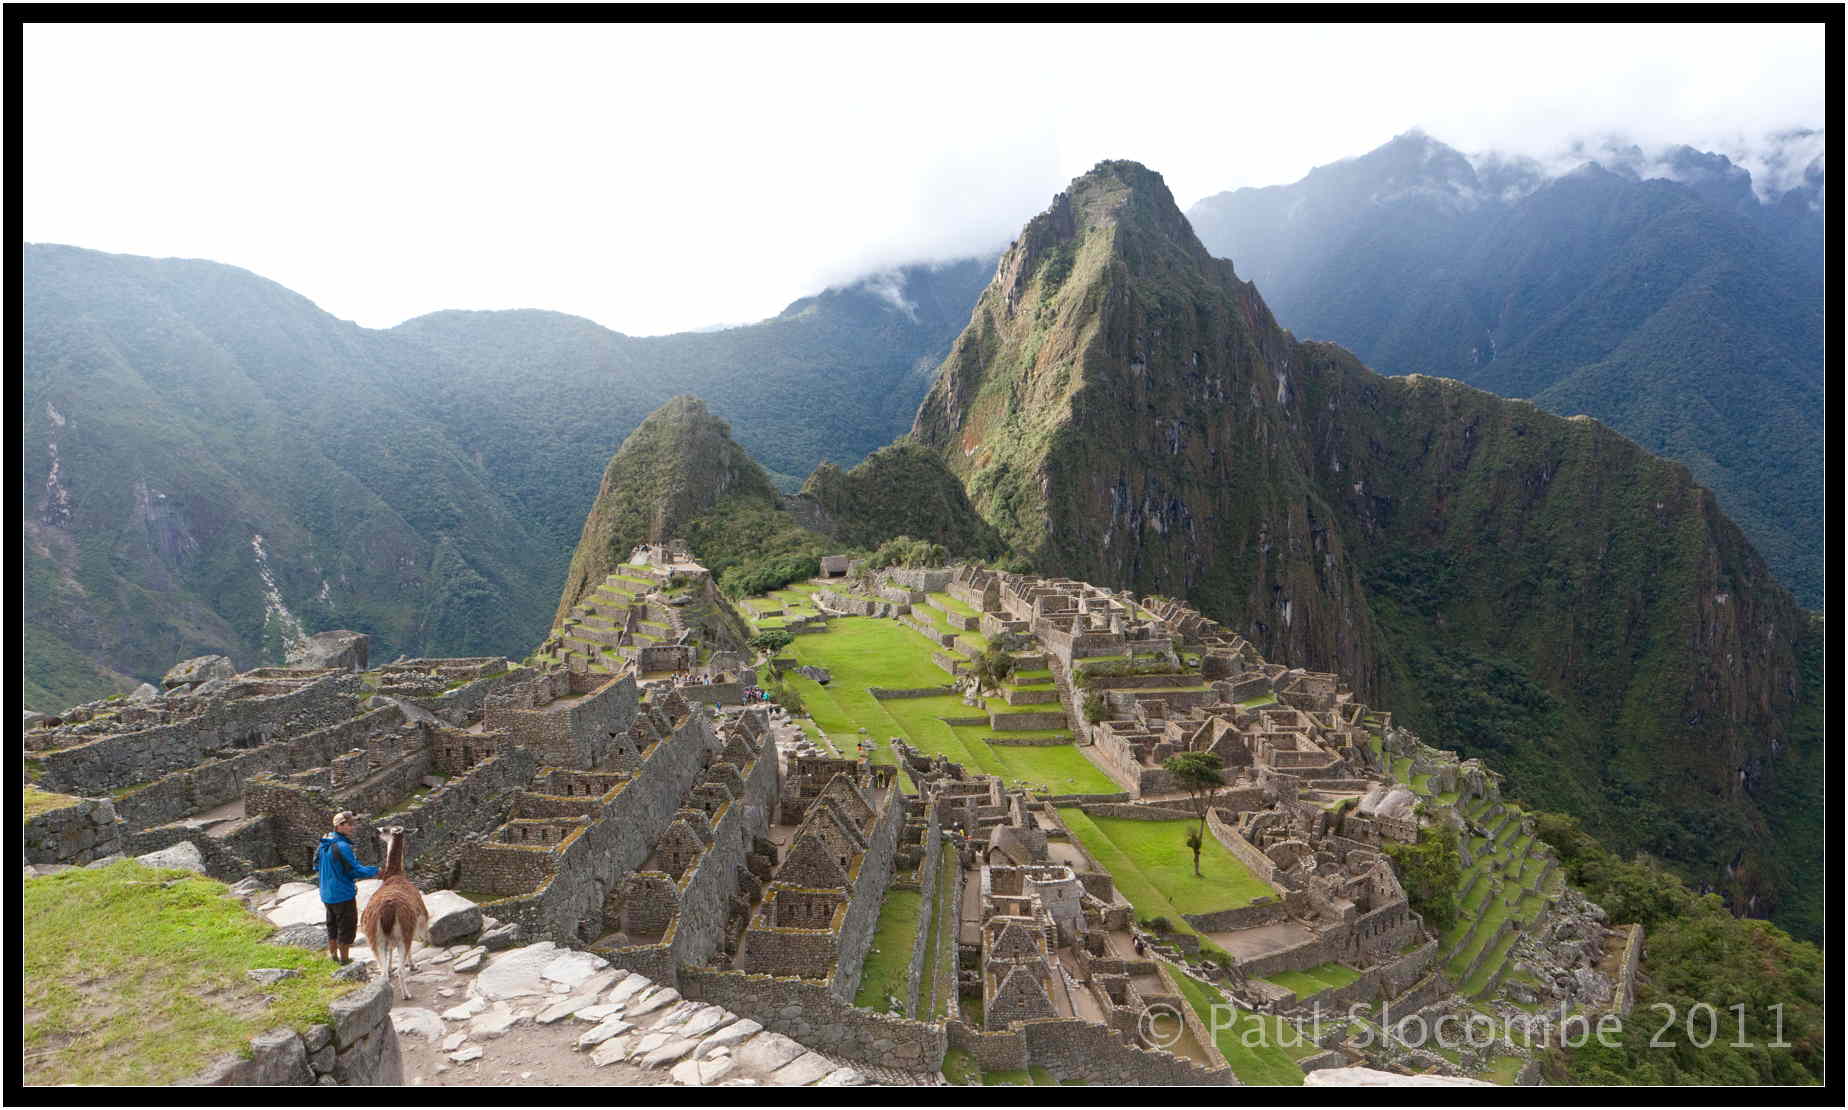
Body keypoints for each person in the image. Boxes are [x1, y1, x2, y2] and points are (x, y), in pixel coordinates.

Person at [317, 811, 379, 964]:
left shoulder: (325, 841)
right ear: (340, 826)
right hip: (342, 894)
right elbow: (354, 871)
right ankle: (345, 961)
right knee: (347, 927)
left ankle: (333, 956)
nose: (353, 827)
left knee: (332, 925)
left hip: (326, 893)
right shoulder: (342, 846)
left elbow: (316, 865)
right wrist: (376, 871)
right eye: (350, 824)